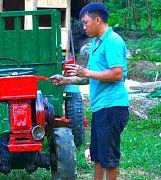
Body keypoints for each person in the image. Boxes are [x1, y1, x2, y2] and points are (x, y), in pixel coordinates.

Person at [50, 2, 129, 180]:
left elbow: (117, 73)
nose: (84, 26)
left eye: (86, 22)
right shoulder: (96, 43)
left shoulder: (112, 41)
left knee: (109, 158)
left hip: (113, 106)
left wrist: (86, 71)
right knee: (98, 156)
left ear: (98, 20)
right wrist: (67, 79)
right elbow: (92, 76)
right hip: (101, 108)